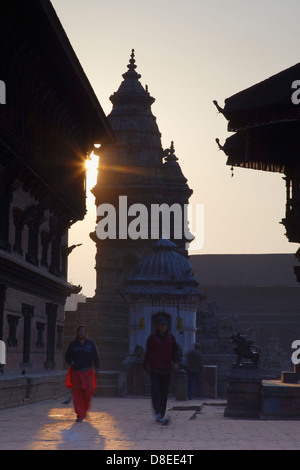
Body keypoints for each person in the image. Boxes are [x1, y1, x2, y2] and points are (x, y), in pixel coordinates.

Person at [143, 317, 180, 423]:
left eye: (165, 325)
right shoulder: (153, 337)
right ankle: (157, 411)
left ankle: (161, 413)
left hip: (167, 368)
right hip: (155, 368)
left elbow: (175, 351)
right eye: (161, 325)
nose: (163, 327)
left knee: (164, 392)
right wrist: (144, 366)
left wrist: (177, 362)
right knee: (155, 391)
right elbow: (147, 353)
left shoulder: (170, 337)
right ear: (158, 327)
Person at [65, 325, 100, 422]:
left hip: (88, 371)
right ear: (77, 332)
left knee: (88, 393)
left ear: (86, 333)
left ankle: (84, 410)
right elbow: (67, 356)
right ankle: (80, 415)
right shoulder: (73, 345)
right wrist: (71, 362)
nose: (82, 333)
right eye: (80, 331)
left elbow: (96, 356)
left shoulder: (91, 344)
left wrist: (97, 366)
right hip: (76, 371)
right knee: (77, 394)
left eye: (84, 331)